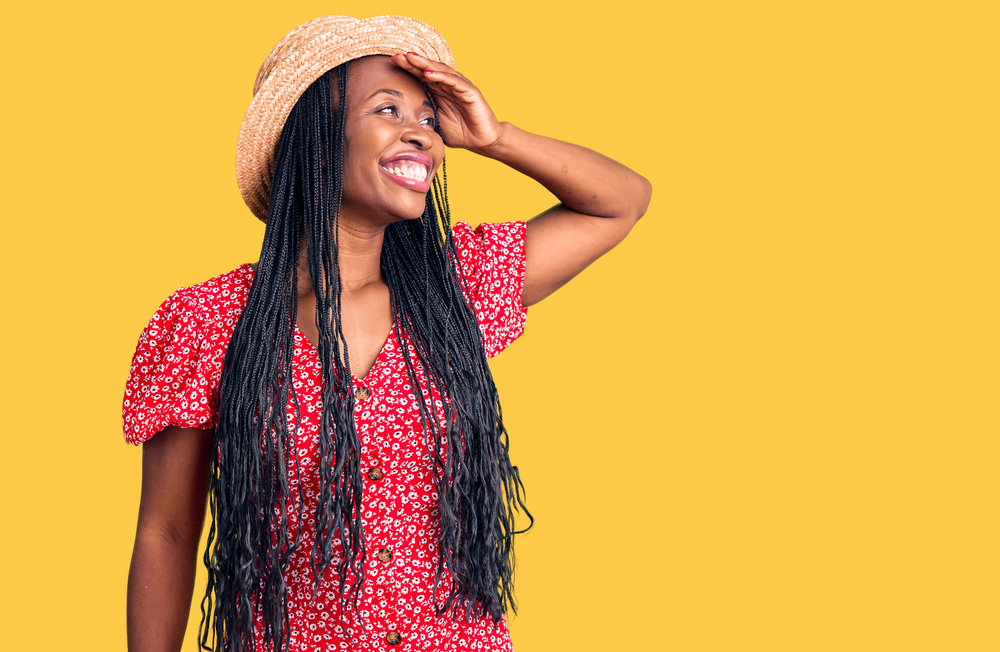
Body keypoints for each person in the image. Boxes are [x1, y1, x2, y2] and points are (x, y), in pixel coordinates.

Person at [123, 14, 651, 652]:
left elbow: (620, 200)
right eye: (388, 109)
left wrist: (494, 137)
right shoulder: (209, 322)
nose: (421, 133)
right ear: (316, 136)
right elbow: (168, 533)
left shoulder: (452, 290)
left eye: (428, 118)